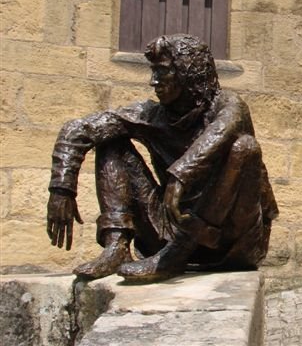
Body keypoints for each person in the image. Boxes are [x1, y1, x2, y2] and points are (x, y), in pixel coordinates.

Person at [46, 34, 278, 282]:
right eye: (153, 72)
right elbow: (79, 128)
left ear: (188, 73)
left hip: (230, 241)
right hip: (168, 226)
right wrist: (62, 188)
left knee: (245, 148)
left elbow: (222, 131)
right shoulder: (152, 115)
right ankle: (117, 246)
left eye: (163, 72)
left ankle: (176, 254)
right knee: (110, 139)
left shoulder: (229, 105)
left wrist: (179, 176)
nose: (153, 81)